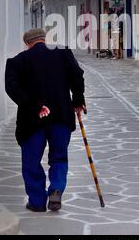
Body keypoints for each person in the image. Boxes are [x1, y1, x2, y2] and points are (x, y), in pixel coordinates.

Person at [5, 29, 86, 213]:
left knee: (31, 161)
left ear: (27, 43)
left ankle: (37, 202)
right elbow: (77, 76)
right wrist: (78, 101)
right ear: (44, 39)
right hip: (61, 116)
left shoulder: (17, 62)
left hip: (32, 119)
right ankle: (56, 189)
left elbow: (12, 88)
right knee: (59, 157)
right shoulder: (63, 53)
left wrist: (34, 106)